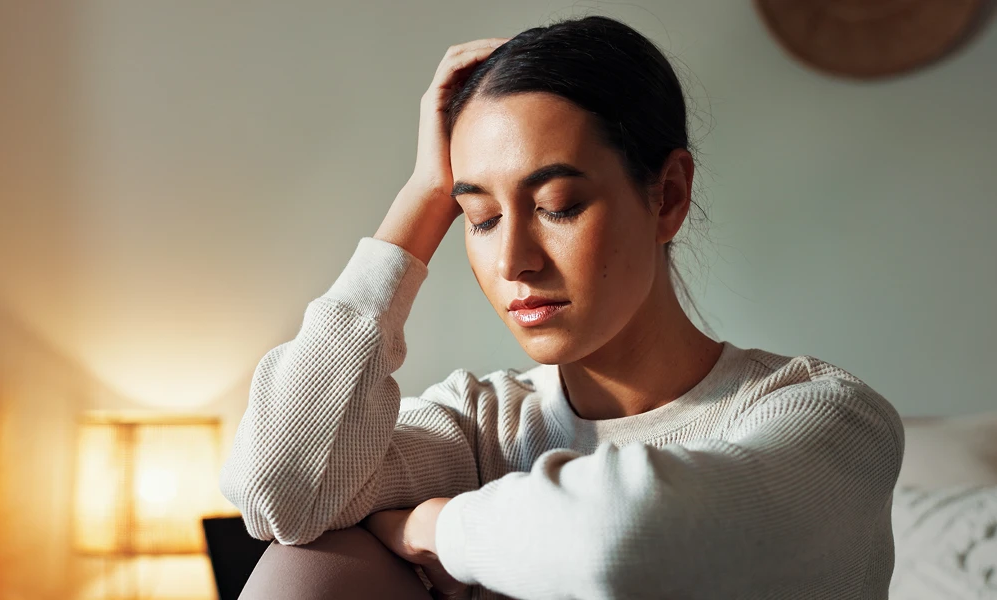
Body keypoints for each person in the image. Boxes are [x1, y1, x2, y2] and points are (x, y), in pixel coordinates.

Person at [220, 14, 905, 600]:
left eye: (558, 207)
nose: (514, 258)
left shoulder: (829, 419)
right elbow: (280, 490)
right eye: (480, 216)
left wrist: (430, 527)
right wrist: (423, 200)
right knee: (303, 559)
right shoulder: (484, 430)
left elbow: (626, 535)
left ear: (667, 196)